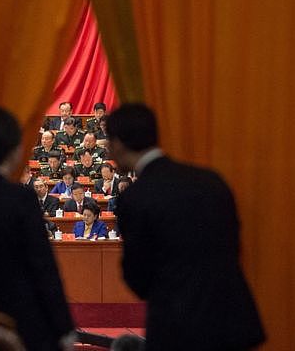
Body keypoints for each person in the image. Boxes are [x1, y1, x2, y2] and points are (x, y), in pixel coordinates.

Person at [106, 103, 265, 351]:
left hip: (178, 327)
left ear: (117, 143)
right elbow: (233, 245)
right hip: (232, 320)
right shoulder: (210, 180)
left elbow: (137, 276)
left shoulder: (136, 197)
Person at [0, 106, 75, 351]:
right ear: (15, 150)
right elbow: (43, 266)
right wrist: (64, 326)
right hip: (27, 324)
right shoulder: (22, 199)